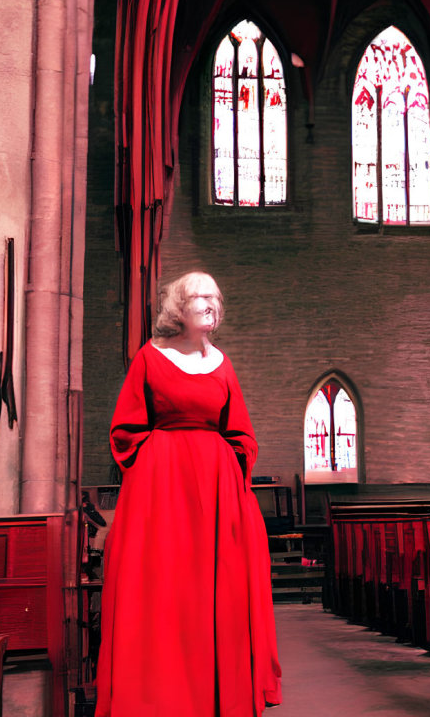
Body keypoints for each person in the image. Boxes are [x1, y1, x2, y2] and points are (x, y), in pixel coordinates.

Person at [95, 271, 282, 717]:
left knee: (220, 592)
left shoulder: (223, 363)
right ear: (177, 307)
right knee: (165, 586)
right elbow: (125, 429)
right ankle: (161, 696)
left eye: (216, 297)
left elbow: (240, 430)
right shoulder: (150, 358)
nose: (211, 303)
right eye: (201, 296)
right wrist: (154, 470)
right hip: (162, 492)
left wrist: (229, 471)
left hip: (217, 493)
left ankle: (220, 696)